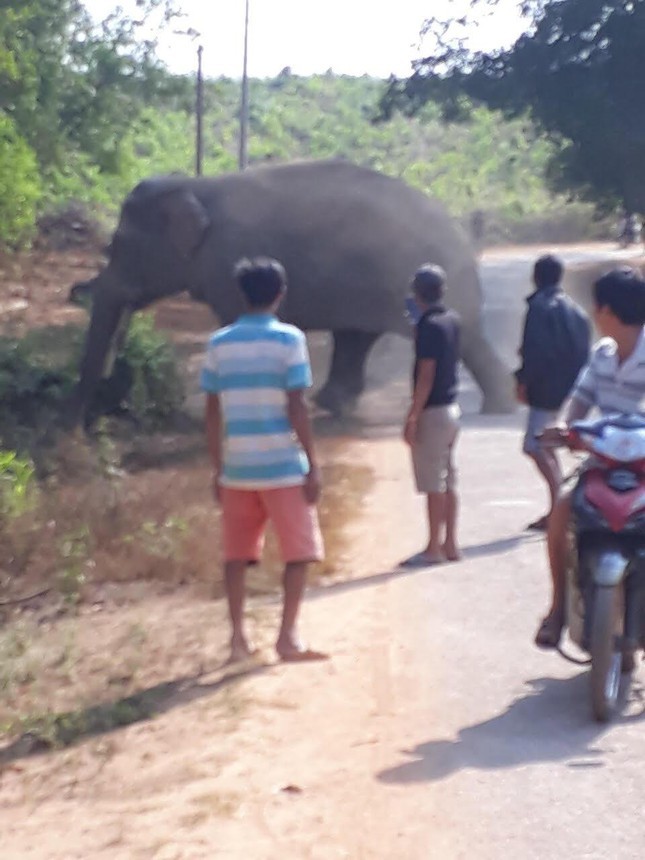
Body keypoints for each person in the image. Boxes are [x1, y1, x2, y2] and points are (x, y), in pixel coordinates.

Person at [201, 257, 325, 663]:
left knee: (235, 556)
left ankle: (238, 640)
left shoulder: (219, 343)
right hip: (283, 467)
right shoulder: (290, 341)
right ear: (280, 293)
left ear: (242, 293)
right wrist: (313, 462)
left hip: (237, 470)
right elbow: (297, 405)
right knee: (298, 553)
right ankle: (287, 638)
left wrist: (218, 469)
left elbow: (212, 411)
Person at [535, 266, 645, 648]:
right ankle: (557, 610)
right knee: (562, 513)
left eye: (597, 308)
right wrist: (565, 428)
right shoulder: (601, 355)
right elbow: (579, 402)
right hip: (604, 463)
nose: (595, 315)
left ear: (608, 311)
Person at [515, 254, 590, 531]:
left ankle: (561, 504)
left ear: (535, 277)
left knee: (534, 445)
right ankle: (559, 506)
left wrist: (523, 382)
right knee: (545, 445)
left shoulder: (537, 307)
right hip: (572, 389)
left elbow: (535, 352)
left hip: (546, 388)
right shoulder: (576, 309)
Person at [401, 264, 461, 566]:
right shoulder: (451, 320)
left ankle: (432, 548)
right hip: (452, 410)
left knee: (433, 484)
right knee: (448, 480)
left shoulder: (428, 326)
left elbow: (426, 375)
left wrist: (412, 416)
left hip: (433, 412)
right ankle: (450, 544)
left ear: (417, 294)